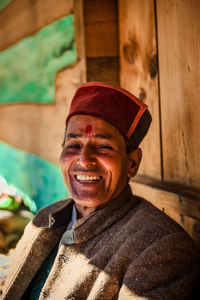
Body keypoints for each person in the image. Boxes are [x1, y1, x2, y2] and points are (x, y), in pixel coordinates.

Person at [1, 82, 200, 300]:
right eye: (74, 145)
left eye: (103, 147)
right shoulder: (44, 218)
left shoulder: (162, 249)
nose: (84, 160)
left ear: (132, 163)